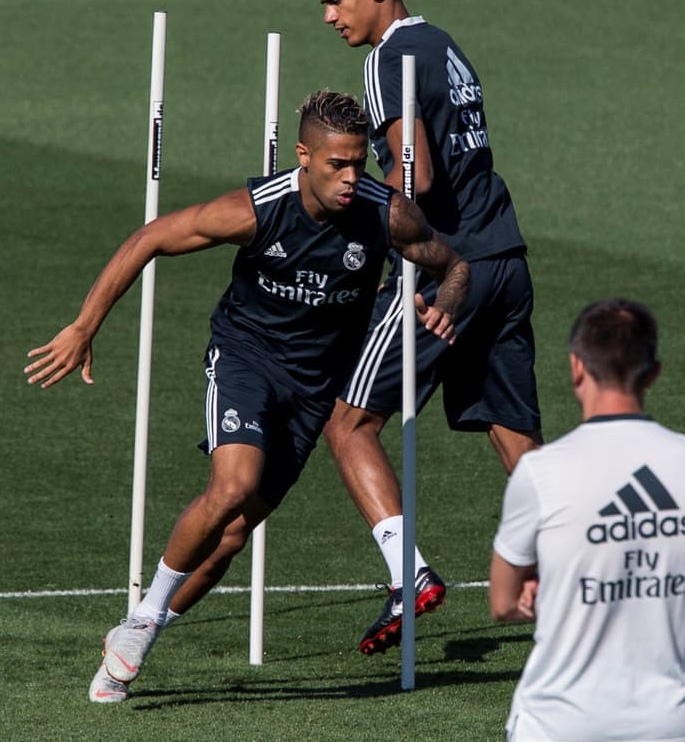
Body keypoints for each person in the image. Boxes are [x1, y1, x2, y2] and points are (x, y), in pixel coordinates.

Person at [24, 90, 468, 703]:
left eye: (359, 164)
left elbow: (454, 264)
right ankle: (142, 621)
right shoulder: (256, 210)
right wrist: (84, 326)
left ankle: (142, 635)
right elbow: (151, 237)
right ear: (303, 155)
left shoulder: (386, 214)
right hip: (245, 361)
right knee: (231, 485)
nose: (350, 178)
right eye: (336, 164)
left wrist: (445, 307)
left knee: (232, 537)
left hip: (314, 390)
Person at [310, 0, 543, 655]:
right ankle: (580, 581)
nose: (329, 16)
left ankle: (407, 574)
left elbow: (416, 179)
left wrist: (373, 222)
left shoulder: (387, 60)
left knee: (347, 424)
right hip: (504, 255)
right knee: (516, 436)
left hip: (444, 271)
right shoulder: (444, 44)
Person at [490, 299, 685, 742]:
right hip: (668, 725)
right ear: (653, 373)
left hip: (559, 725)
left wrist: (547, 591)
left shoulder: (540, 471)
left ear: (577, 368)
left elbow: (502, 601)